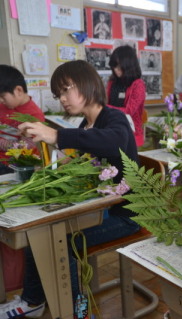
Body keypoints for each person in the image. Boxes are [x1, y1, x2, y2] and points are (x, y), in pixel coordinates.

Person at [0, 60, 139, 317]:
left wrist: (57, 136)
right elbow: (87, 163)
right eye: (58, 94)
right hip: (99, 208)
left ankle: (80, 313)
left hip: (125, 216)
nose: (62, 99)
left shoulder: (114, 118)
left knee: (65, 243)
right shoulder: (84, 125)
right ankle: (33, 301)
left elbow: (113, 141)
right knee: (38, 236)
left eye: (66, 90)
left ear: (88, 84)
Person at [0, 65, 45, 174]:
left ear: (18, 90)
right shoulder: (3, 105)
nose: (1, 101)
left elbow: (23, 147)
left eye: (2, 96)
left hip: (11, 165)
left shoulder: (34, 115)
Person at [107, 45, 146, 147]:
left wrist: (104, 108)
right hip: (112, 131)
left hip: (131, 136)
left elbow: (129, 111)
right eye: (114, 66)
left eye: (119, 66)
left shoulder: (138, 84)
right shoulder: (112, 82)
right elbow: (107, 102)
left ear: (128, 66)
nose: (116, 70)